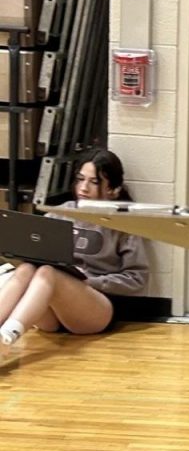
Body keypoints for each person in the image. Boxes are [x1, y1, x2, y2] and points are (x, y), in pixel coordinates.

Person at [0, 148, 148, 351]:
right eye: (80, 179)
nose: (84, 187)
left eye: (94, 182)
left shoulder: (123, 224)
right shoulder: (62, 212)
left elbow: (137, 280)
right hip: (50, 311)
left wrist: (91, 281)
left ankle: (6, 338)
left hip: (95, 308)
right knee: (26, 269)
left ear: (112, 189)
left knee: (47, 272)